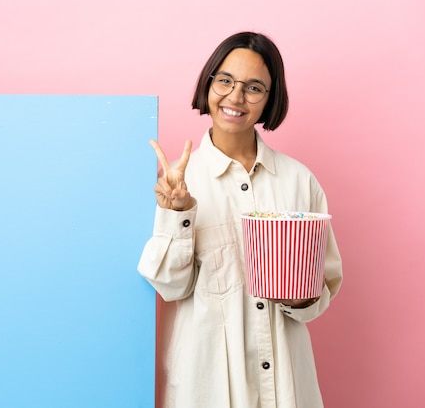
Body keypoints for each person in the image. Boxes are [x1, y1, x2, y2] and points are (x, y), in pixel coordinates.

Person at [137, 32, 343, 408]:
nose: (235, 97)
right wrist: (177, 213)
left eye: (253, 87)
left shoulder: (299, 181)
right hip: (208, 383)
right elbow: (170, 287)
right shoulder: (174, 183)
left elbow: (324, 287)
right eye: (225, 81)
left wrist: (300, 297)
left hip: (286, 384)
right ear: (209, 83)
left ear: (270, 99)